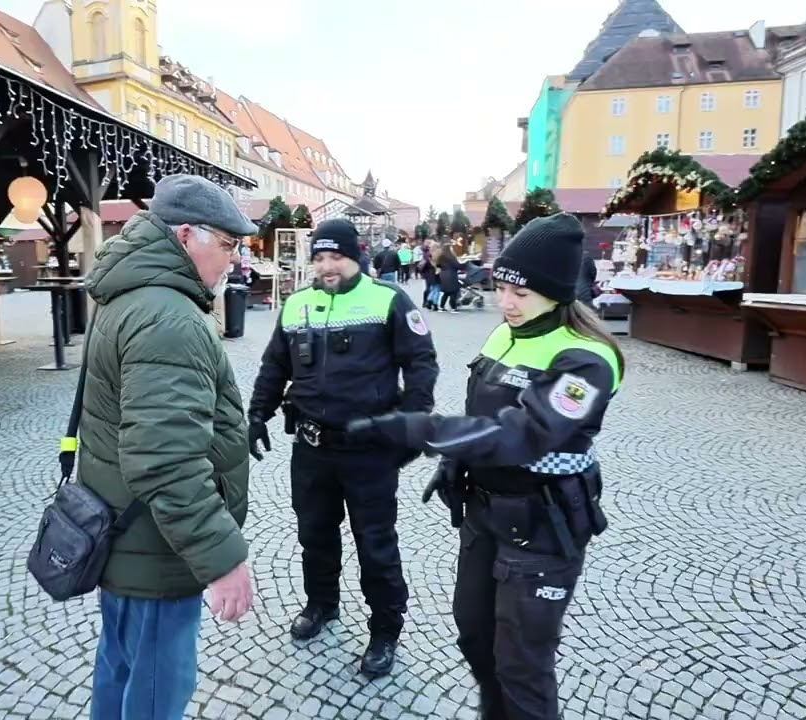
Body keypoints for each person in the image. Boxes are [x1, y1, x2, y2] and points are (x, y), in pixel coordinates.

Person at [345, 213, 623, 720]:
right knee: (474, 636)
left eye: (521, 293)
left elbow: (525, 434)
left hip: (542, 525)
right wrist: (456, 461)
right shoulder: (504, 336)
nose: (506, 302)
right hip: (485, 515)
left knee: (522, 664)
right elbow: (484, 418)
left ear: (558, 292)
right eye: (501, 287)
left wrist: (419, 429)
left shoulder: (588, 359)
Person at [78, 174, 258, 720]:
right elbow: (167, 461)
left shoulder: (135, 294)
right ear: (186, 236)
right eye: (227, 244)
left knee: (121, 667)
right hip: (157, 547)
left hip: (130, 533)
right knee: (157, 689)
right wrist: (222, 558)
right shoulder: (168, 318)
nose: (233, 259)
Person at [247, 218, 439, 678]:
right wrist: (257, 413)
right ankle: (321, 604)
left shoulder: (387, 300)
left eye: (337, 256)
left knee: (375, 543)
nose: (328, 266)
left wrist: (410, 426)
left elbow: (420, 364)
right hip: (312, 449)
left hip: (368, 451)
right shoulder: (297, 304)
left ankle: (385, 629)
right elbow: (275, 365)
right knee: (314, 533)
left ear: (357, 256)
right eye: (320, 258)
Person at [435, 242, 463, 313]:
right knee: (453, 292)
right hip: (451, 275)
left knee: (446, 292)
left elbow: (438, 265)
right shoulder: (451, 257)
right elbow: (457, 265)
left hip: (443, 275)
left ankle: (441, 307)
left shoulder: (441, 256)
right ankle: (453, 308)